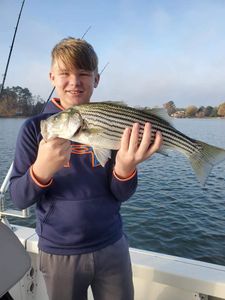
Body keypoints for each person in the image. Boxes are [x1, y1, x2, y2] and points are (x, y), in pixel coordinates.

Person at [9, 37, 162, 300]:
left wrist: (125, 167)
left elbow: (121, 193)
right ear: (52, 77)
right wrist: (41, 171)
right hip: (59, 252)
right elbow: (18, 197)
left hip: (112, 244)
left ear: (96, 79)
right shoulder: (34, 128)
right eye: (65, 73)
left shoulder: (115, 124)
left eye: (83, 74)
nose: (75, 82)